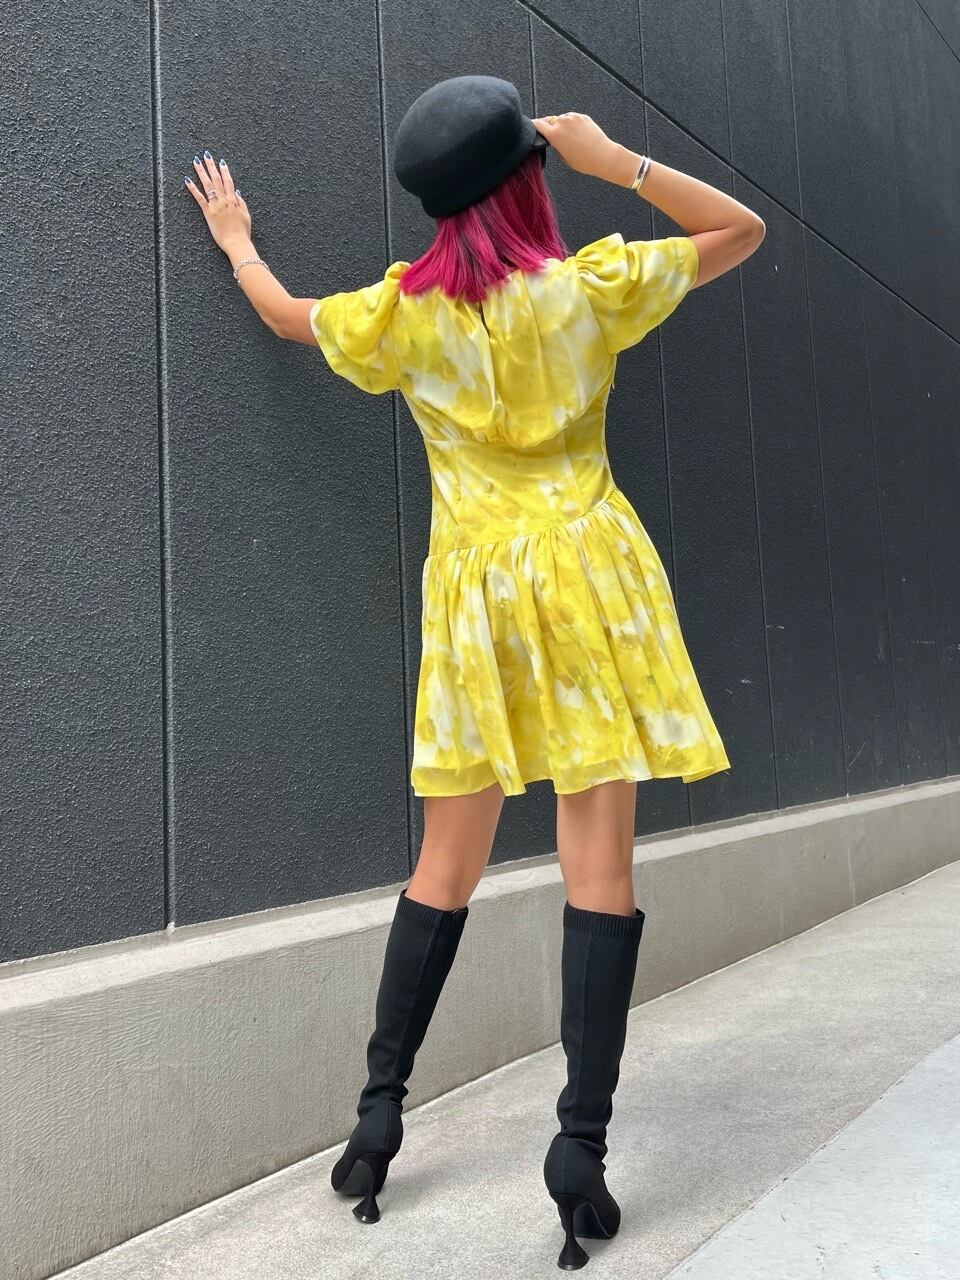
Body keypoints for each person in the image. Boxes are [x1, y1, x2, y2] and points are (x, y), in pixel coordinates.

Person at [186, 73, 764, 1270]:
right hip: (591, 592)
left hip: (475, 611)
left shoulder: (404, 314)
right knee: (599, 872)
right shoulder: (588, 290)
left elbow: (287, 316)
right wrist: (613, 158)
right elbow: (740, 230)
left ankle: (375, 1122)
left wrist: (238, 242)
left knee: (442, 866)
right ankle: (579, 1151)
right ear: (526, 182)